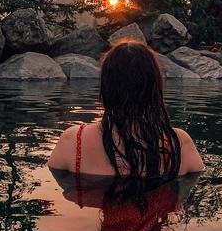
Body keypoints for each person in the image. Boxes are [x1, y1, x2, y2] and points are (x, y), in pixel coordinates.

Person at [48, 40, 204, 178]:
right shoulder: (179, 143)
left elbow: (67, 193)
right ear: (154, 86)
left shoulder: (73, 141)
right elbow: (183, 200)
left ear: (106, 86)